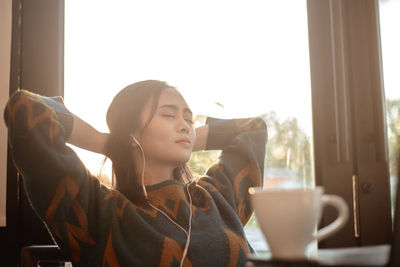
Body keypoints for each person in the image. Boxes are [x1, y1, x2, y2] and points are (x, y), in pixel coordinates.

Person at [4, 80, 267, 267]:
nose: (185, 125)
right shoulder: (100, 212)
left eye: (189, 118)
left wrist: (185, 137)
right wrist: (111, 143)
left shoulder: (216, 196)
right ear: (131, 131)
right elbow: (26, 108)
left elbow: (254, 129)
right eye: (168, 114)